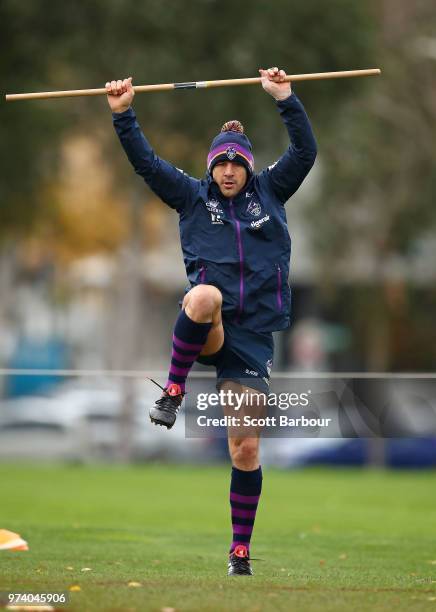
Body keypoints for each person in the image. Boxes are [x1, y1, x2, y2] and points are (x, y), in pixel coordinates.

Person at [106, 68, 317, 575]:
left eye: (235, 164)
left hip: (251, 341)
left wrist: (284, 98)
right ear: (211, 167)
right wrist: (123, 113)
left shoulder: (271, 192)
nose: (227, 171)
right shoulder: (191, 197)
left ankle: (239, 552)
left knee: (244, 447)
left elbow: (305, 151)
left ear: (246, 167)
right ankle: (173, 391)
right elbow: (145, 163)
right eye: (220, 163)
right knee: (202, 296)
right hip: (208, 328)